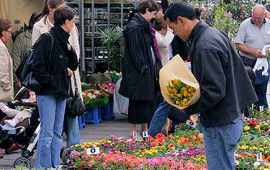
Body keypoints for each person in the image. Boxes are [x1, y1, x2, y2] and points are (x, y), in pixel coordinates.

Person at [164, 2, 258, 170]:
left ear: (181, 20)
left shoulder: (205, 44)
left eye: (173, 28)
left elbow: (214, 90)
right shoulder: (211, 34)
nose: (174, 34)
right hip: (228, 116)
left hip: (220, 121)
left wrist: (188, 108)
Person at [32, 6, 78, 169]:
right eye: (72, 22)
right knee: (47, 132)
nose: (74, 25)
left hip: (60, 92)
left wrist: (70, 49)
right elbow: (37, 67)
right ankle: (43, 167)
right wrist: (52, 80)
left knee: (57, 132)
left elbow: (74, 65)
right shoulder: (47, 38)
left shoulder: (63, 40)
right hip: (47, 92)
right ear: (65, 22)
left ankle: (53, 165)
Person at [119, 0, 161, 140]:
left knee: (146, 102)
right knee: (137, 102)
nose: (155, 16)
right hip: (139, 73)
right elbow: (136, 51)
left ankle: (144, 131)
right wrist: (143, 67)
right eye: (153, 13)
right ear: (147, 10)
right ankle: (133, 133)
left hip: (145, 71)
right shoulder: (135, 27)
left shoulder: (143, 26)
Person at [235, 5, 270, 110]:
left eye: (258, 18)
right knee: (246, 92)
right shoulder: (245, 25)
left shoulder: (269, 24)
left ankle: (263, 117)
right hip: (247, 62)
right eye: (254, 17)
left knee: (262, 91)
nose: (255, 19)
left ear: (264, 15)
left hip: (263, 63)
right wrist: (253, 52)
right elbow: (238, 44)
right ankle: (245, 116)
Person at [11, 12, 42, 94]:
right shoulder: (21, 38)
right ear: (34, 22)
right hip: (25, 80)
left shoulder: (46, 37)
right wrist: (17, 79)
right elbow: (15, 58)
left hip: (41, 80)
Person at [0, 18, 13, 159]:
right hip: (1, 90)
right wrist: (8, 87)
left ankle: (7, 143)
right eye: (9, 32)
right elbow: (2, 71)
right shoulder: (0, 47)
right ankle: (7, 143)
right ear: (3, 32)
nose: (10, 35)